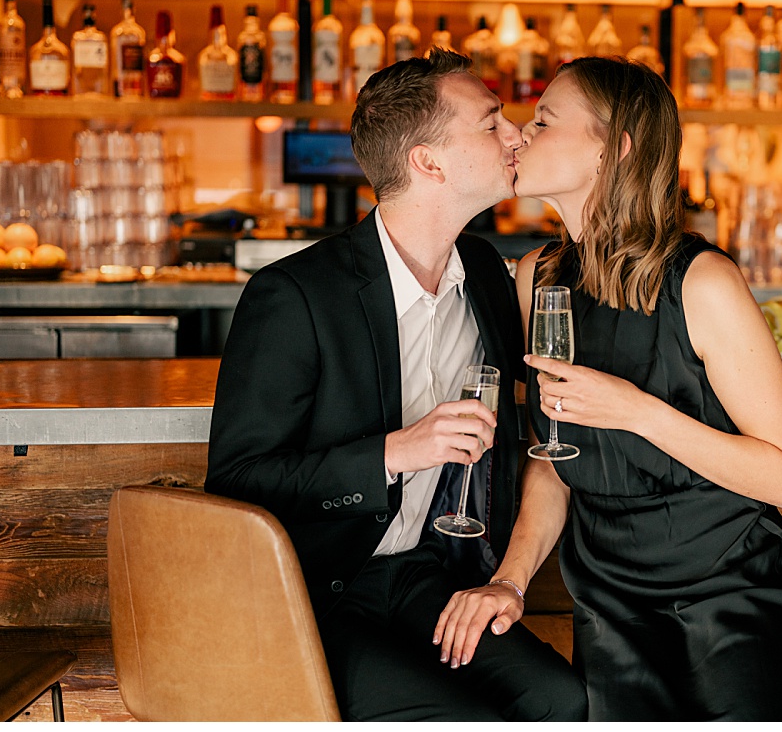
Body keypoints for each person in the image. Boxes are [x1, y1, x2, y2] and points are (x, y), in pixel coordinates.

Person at [434, 56, 782, 721]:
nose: (519, 134)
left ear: (615, 147)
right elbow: (554, 463)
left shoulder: (703, 282)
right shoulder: (536, 280)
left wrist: (635, 410)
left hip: (731, 601)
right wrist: (509, 582)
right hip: (611, 607)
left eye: (544, 121)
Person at [205, 48, 586, 722]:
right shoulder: (294, 295)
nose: (514, 135)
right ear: (427, 161)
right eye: (491, 120)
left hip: (430, 578)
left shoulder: (488, 274)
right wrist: (394, 452)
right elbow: (238, 482)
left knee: (561, 698)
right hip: (315, 595)